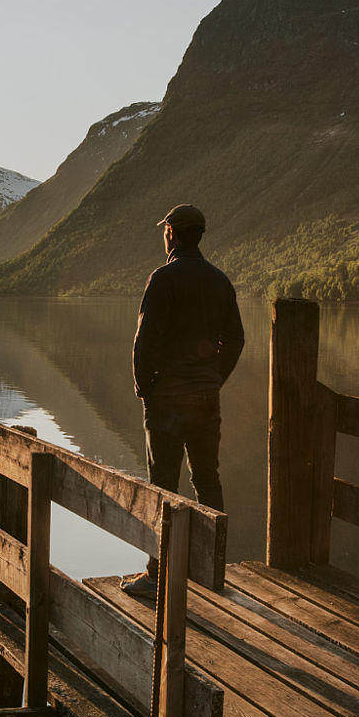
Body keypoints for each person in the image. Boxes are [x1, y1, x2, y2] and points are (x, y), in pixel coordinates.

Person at [132, 203, 244, 511]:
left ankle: (161, 559)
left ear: (171, 235)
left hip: (166, 397)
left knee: (163, 485)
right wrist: (213, 378)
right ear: (199, 237)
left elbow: (146, 342)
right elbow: (236, 339)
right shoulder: (220, 281)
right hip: (206, 397)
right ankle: (212, 556)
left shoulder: (162, 278)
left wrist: (146, 388)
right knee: (208, 480)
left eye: (166, 232)